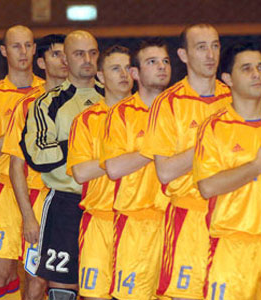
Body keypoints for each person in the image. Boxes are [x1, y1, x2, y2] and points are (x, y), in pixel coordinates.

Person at [194, 42, 261, 300]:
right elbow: (207, 187)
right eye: (247, 68)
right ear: (227, 79)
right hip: (233, 250)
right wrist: (257, 166)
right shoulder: (214, 127)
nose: (256, 74)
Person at [141, 24, 231, 300]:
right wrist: (210, 144)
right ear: (183, 54)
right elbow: (165, 170)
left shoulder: (234, 98)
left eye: (215, 45)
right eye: (201, 47)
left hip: (231, 218)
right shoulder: (167, 103)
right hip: (187, 221)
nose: (210, 54)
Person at [20, 30, 103, 300]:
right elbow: (38, 155)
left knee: (103, 288)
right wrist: (81, 143)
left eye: (92, 53)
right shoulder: (48, 103)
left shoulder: (117, 100)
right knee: (61, 290)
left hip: (109, 205)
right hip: (66, 204)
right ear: (66, 58)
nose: (87, 59)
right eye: (79, 54)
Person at [0, 25, 44, 300]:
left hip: (43, 192)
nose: (23, 51)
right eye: (16, 46)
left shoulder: (48, 93)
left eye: (28, 45)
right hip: (6, 195)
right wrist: (19, 130)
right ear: (4, 51)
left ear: (35, 49)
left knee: (37, 280)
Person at [100, 39, 171, 300]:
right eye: (152, 62)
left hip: (176, 220)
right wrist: (155, 149)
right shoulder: (120, 114)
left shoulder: (180, 109)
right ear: (135, 73)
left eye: (165, 61)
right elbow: (114, 168)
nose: (161, 67)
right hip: (135, 223)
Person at [2, 33, 68, 300]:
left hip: (76, 203)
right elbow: (16, 166)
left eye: (68, 53)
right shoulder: (28, 106)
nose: (64, 60)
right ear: (40, 62)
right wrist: (28, 216)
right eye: (56, 54)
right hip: (40, 200)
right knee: (37, 281)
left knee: (68, 286)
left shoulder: (93, 101)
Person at [66, 45, 133, 300]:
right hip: (99, 221)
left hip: (141, 222)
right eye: (116, 68)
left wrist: (103, 164)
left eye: (129, 68)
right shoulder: (86, 120)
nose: (124, 74)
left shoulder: (151, 116)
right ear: (101, 77)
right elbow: (80, 172)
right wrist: (126, 161)